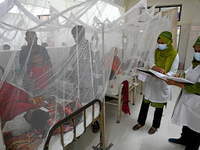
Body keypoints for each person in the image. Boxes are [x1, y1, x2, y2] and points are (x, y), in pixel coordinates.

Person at [132, 31, 179, 134]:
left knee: (159, 107)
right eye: (159, 42)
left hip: (163, 83)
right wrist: (157, 69)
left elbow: (173, 71)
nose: (160, 45)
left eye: (162, 43)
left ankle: (155, 126)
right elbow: (150, 62)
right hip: (151, 81)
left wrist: (163, 75)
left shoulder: (174, 55)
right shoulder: (155, 51)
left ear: (169, 42)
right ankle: (141, 122)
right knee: (145, 103)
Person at [165, 36, 200, 150]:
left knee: (195, 129)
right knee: (187, 122)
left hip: (197, 102)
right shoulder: (195, 63)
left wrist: (176, 84)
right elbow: (188, 72)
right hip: (189, 99)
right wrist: (180, 77)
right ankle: (183, 139)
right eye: (195, 50)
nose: (197, 53)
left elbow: (198, 87)